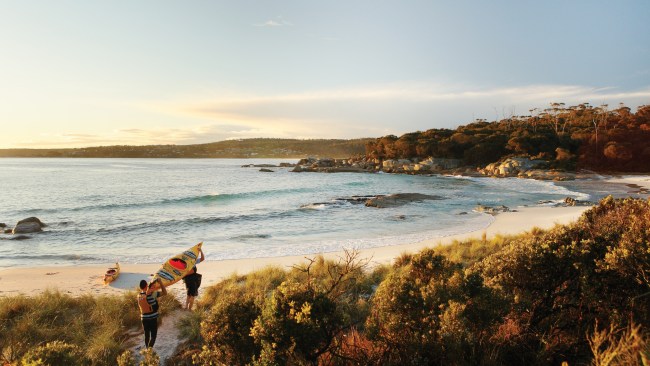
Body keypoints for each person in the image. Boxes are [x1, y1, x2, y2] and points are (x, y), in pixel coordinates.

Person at [138, 278, 166, 348]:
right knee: (153, 336)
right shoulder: (153, 294)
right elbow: (165, 293)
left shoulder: (139, 296)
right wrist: (161, 283)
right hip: (152, 318)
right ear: (146, 285)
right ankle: (149, 351)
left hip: (143, 318)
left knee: (146, 335)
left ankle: (147, 349)